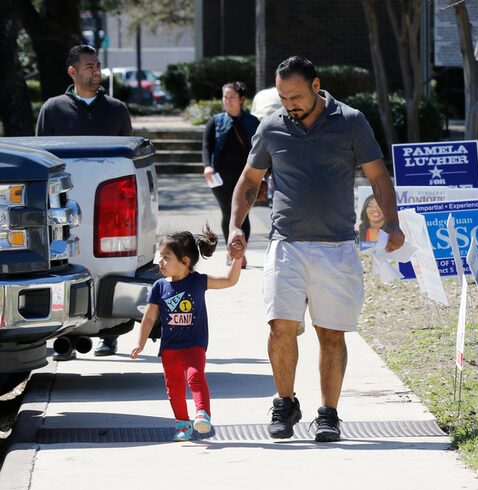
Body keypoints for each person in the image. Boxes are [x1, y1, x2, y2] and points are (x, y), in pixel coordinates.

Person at [227, 56, 405, 442]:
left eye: (295, 96)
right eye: (282, 96)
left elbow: (378, 176)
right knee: (280, 326)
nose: (289, 103)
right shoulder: (272, 127)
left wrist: (392, 221)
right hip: (286, 244)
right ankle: (285, 402)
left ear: (316, 85)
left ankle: (329, 414)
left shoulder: (351, 121)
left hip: (336, 247)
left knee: (331, 334)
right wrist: (235, 227)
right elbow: (248, 181)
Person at [37, 44, 131, 359]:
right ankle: (65, 338)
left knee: (110, 268)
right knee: (67, 266)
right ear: (72, 71)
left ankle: (110, 333)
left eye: (98, 65)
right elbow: (41, 159)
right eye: (89, 66)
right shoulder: (53, 109)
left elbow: (127, 159)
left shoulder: (116, 109)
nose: (96, 70)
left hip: (110, 206)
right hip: (67, 205)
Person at [130, 224, 242, 441]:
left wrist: (237, 259)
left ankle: (202, 415)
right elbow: (150, 317)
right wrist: (140, 342)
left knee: (195, 377)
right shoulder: (159, 287)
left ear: (185, 261)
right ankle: (182, 424)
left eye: (165, 257)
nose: (160, 262)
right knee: (174, 387)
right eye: (160, 257)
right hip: (170, 348)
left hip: (194, 345)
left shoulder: (198, 282)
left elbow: (229, 280)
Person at [202, 82, 260, 267]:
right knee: (228, 212)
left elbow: (260, 149)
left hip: (246, 176)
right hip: (220, 178)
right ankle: (231, 253)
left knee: (244, 215)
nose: (227, 101)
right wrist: (207, 166)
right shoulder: (216, 121)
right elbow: (206, 146)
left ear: (241, 99)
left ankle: (241, 252)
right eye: (225, 97)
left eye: (231, 97)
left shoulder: (252, 122)